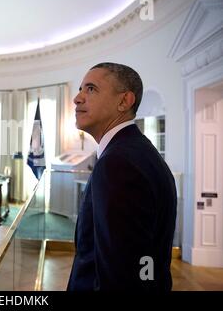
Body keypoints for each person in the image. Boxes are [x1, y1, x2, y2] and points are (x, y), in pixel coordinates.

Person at [67, 62, 177, 291]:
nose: (77, 98)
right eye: (80, 89)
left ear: (124, 101)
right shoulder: (134, 151)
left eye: (91, 89)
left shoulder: (118, 163)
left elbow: (123, 276)